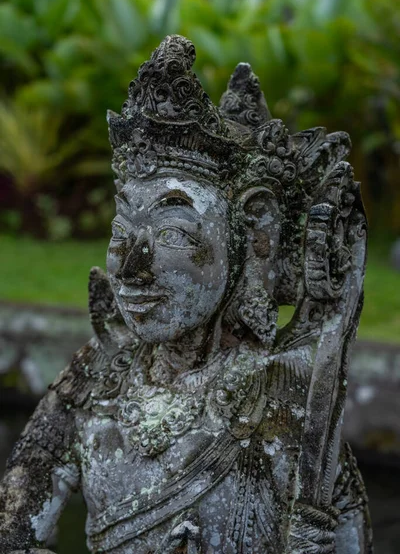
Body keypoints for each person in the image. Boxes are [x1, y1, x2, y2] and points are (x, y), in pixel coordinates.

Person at [0, 35, 372, 553]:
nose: (130, 267)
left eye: (172, 233)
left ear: (255, 234)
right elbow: (14, 536)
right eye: (122, 227)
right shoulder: (95, 379)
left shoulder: (289, 399)